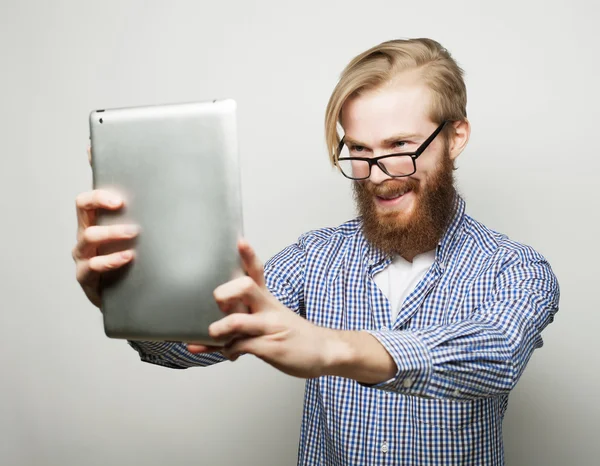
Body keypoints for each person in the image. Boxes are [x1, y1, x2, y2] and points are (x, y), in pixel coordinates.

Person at [73, 38, 560, 465]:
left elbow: (496, 354)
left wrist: (331, 347)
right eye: (360, 150)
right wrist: (131, 294)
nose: (377, 173)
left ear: (455, 139)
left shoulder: (514, 268)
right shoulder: (314, 259)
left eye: (401, 145)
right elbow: (189, 348)